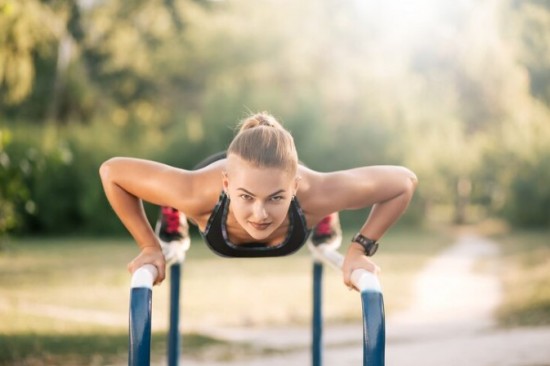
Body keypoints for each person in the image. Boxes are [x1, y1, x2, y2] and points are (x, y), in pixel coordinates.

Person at [99, 112, 418, 289]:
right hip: (207, 193)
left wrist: (359, 249)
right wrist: (149, 247)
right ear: (227, 184)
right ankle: (173, 211)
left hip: (305, 201)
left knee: (317, 202)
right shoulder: (199, 191)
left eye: (276, 197)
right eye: (247, 198)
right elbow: (112, 172)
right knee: (181, 196)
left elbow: (404, 182)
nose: (260, 214)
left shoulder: (313, 190)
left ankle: (322, 217)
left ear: (294, 187)